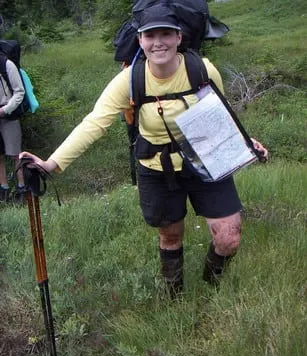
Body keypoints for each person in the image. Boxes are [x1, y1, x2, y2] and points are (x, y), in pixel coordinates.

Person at [20, 5, 268, 296]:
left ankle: (212, 288)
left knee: (229, 239)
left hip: (205, 160)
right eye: (150, 35)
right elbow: (95, 123)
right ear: (140, 40)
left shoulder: (202, 69)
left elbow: (219, 114)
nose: (158, 42)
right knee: (170, 235)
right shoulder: (129, 80)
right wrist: (52, 164)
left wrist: (244, 142)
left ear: (179, 37)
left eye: (165, 34)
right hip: (156, 167)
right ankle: (174, 296)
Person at [0, 52, 27, 203]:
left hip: (8, 113)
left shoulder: (7, 65)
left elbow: (19, 92)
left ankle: (21, 188)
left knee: (15, 154)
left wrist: (5, 110)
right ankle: (3, 190)